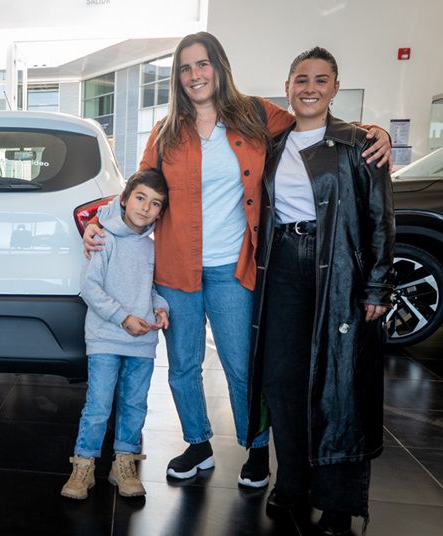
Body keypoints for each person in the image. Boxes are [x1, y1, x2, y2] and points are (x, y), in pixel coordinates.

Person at [83, 32, 392, 488]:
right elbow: (139, 189)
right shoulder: (167, 130)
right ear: (178, 77)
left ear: (219, 67)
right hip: (176, 271)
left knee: (241, 364)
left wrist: (371, 132)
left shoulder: (256, 115)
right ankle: (198, 444)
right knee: (184, 365)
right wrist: (99, 223)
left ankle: (257, 446)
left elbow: (316, 120)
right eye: (186, 68)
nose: (195, 75)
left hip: (235, 267)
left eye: (202, 64)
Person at [246, 47, 394, 536]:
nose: (309, 87)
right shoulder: (274, 141)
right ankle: (293, 482)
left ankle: (339, 501)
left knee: (340, 382)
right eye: (300, 78)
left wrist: (376, 285)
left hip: (341, 275)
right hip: (284, 266)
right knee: (283, 379)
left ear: (334, 87)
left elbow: (379, 217)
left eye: (321, 79)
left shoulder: (358, 143)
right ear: (287, 86)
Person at [61, 170, 170, 500]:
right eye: (140, 198)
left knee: (134, 404)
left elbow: (150, 290)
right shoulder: (103, 238)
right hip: (106, 337)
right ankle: (84, 466)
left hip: (142, 342)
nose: (145, 207)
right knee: (98, 405)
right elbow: (89, 288)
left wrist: (160, 308)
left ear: (160, 212)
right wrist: (123, 318)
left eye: (155, 204)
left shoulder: (152, 248)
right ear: (123, 199)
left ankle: (123, 463)